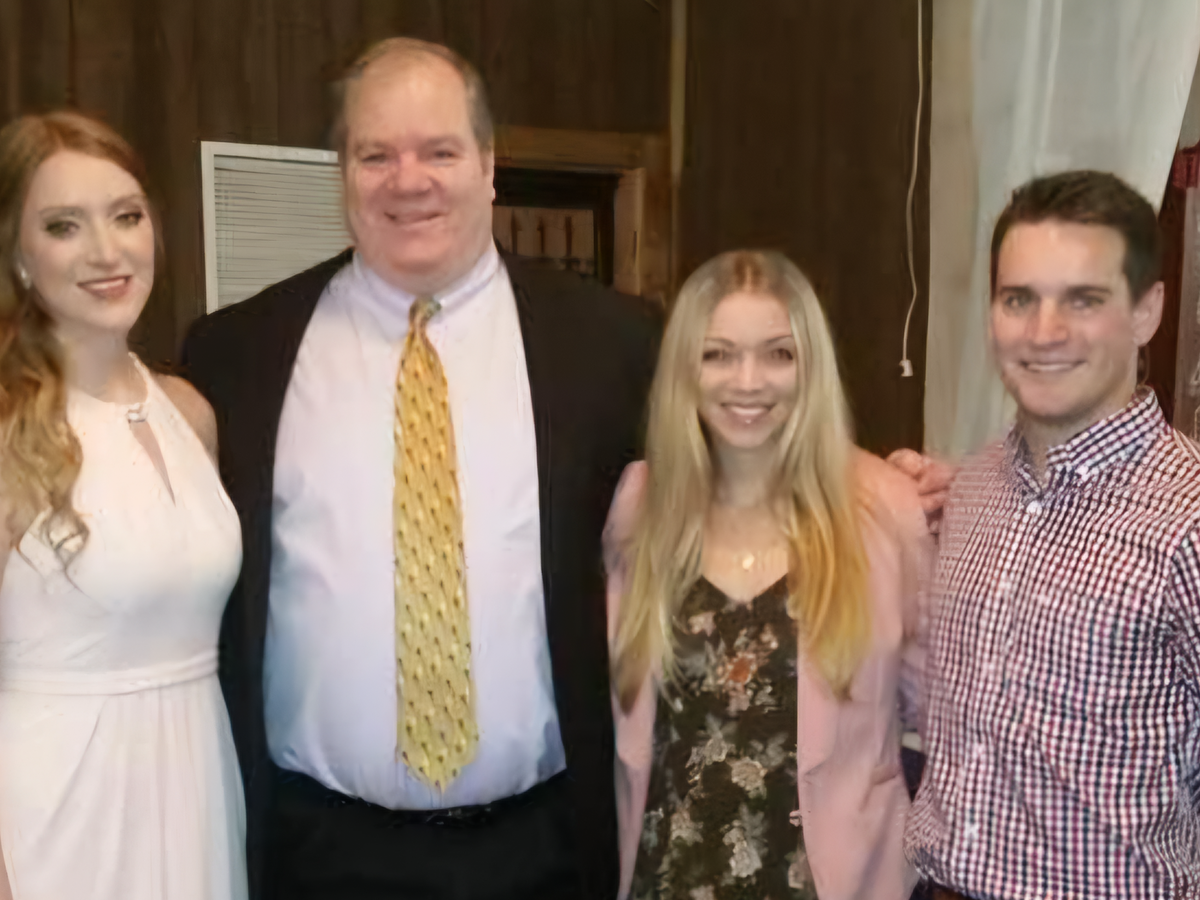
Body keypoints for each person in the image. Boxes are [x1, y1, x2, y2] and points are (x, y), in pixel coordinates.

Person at [183, 37, 661, 900]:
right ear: (342, 171)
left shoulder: (615, 344)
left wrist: (882, 484)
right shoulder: (235, 354)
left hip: (543, 848)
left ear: (489, 165)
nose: (409, 181)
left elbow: (732, 477)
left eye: (439, 151)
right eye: (376, 155)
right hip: (317, 854)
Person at [905, 170, 1200, 899]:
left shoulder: (1188, 518)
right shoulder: (975, 487)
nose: (1043, 333)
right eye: (1018, 299)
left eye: (1083, 299)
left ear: (1147, 311)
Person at [605, 250, 934, 900]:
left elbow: (944, 715)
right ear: (684, 369)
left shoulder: (884, 508)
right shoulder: (640, 506)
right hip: (668, 880)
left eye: (779, 354)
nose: (748, 381)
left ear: (811, 366)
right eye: (718, 354)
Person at [0, 111, 246, 899]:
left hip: (196, 791)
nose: (106, 252)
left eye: (126, 216)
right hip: (54, 817)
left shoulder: (190, 412)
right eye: (63, 226)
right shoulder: (7, 426)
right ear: (19, 255)